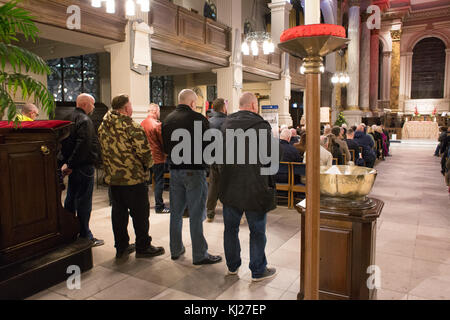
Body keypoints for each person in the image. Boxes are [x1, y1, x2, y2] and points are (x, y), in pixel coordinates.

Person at [219, 92, 278, 281]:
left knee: (230, 229)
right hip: (255, 187)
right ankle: (258, 270)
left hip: (229, 186)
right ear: (254, 105)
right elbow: (272, 158)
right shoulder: (261, 126)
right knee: (257, 230)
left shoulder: (225, 125)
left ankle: (232, 266)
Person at [98, 95, 164, 259]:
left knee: (118, 213)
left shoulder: (103, 126)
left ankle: (121, 247)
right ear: (126, 108)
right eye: (131, 105)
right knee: (140, 214)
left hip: (113, 178)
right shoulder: (131, 126)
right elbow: (143, 152)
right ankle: (143, 246)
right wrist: (149, 166)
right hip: (132, 178)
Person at [162, 89, 222, 265]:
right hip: (194, 171)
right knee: (196, 213)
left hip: (174, 171)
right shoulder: (199, 119)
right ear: (193, 103)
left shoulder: (167, 119)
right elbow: (209, 146)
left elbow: (165, 147)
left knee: (176, 212)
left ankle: (175, 249)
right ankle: (199, 254)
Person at [59, 93, 104, 247]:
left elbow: (63, 145)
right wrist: (71, 164)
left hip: (73, 167)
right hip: (83, 167)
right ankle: (85, 234)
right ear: (85, 104)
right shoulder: (85, 120)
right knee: (84, 202)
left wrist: (66, 164)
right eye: (92, 104)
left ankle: (69, 230)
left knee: (71, 199)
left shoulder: (67, 118)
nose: (93, 108)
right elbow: (83, 146)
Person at [141, 103, 170, 214]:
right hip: (157, 157)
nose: (159, 114)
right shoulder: (157, 125)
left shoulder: (142, 124)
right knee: (159, 182)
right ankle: (159, 206)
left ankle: (143, 205)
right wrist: (167, 152)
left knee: (144, 182)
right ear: (155, 111)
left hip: (145, 157)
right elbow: (163, 142)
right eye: (158, 112)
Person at [206, 98, 227, 223]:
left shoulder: (209, 122)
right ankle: (229, 213)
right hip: (226, 159)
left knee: (213, 185)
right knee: (228, 186)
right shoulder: (229, 121)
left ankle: (210, 214)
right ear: (223, 108)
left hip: (212, 158)